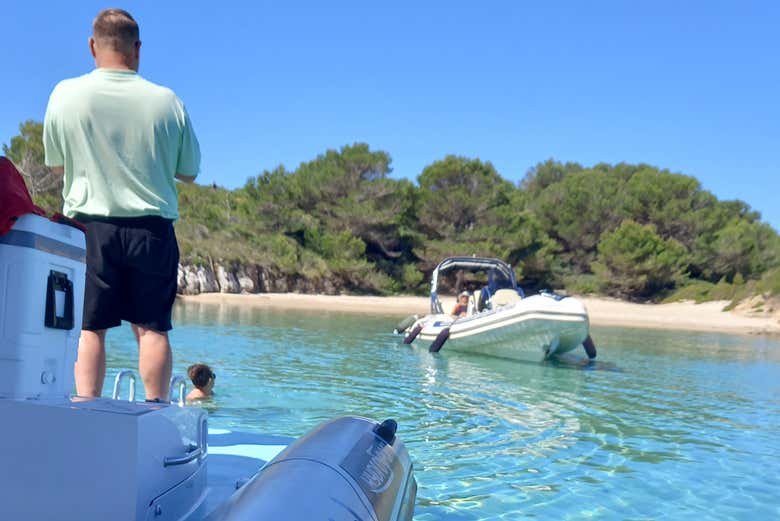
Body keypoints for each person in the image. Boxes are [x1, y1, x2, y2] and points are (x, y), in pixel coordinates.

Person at [43, 9, 200, 401]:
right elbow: (189, 171)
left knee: (89, 328)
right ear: (138, 48)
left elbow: (57, 164)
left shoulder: (65, 94)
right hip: (151, 230)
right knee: (152, 328)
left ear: (92, 45)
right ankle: (156, 410)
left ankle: (86, 410)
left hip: (88, 229)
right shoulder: (167, 101)